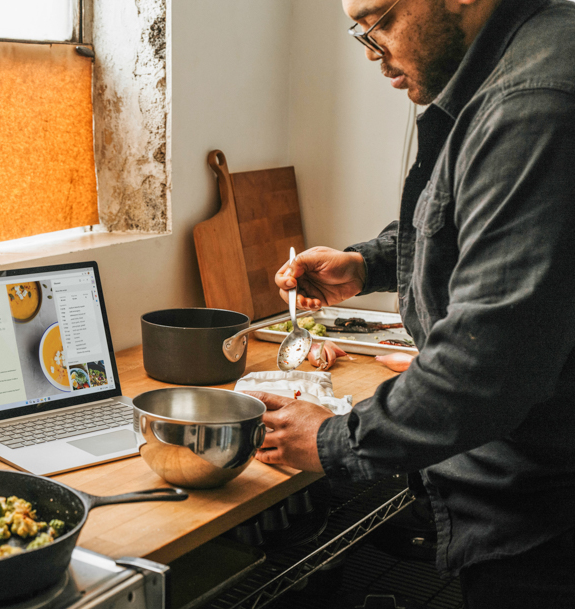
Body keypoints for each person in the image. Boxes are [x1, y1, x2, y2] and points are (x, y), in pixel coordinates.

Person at [245, 0, 575, 606]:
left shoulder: (533, 103)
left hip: (546, 522)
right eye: (359, 31)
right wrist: (366, 264)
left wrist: (332, 442)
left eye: (380, 21)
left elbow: (489, 365)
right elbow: (476, 223)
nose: (372, 51)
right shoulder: (513, 66)